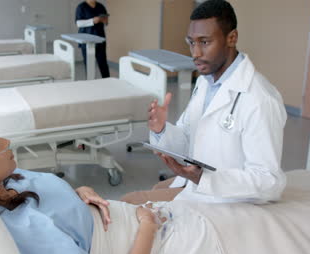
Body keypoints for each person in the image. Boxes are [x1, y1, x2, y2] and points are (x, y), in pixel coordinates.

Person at [0, 111, 164, 254]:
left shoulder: (8, 179)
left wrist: (78, 193)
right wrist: (148, 227)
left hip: (135, 218)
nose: (7, 142)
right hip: (144, 240)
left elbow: (47, 200)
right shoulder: (23, 231)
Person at [121, 0, 287, 204]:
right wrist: (162, 129)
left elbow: (268, 181)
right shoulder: (205, 83)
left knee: (130, 202)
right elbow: (188, 141)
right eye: (191, 42)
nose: (195, 53)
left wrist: (203, 178)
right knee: (157, 189)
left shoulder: (260, 99)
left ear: (231, 38)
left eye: (204, 42)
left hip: (229, 201)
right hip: (197, 185)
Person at [75, 0, 110, 78]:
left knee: (103, 63)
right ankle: (90, 83)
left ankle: (108, 81)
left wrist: (105, 21)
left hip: (100, 38)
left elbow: (106, 22)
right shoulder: (81, 7)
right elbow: (78, 23)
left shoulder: (101, 6)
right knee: (89, 64)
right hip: (86, 40)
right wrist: (93, 21)